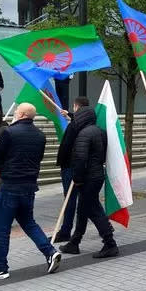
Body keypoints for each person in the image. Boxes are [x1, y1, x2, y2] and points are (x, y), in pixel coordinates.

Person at [0, 103, 61, 280]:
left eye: (16, 112)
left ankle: (0, 267)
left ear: (23, 114)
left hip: (10, 185)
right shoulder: (40, 135)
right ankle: (50, 252)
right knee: (28, 222)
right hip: (29, 186)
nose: (14, 114)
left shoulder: (9, 133)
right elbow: (35, 158)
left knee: (2, 228)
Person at [58, 103, 119, 258]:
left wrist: (77, 178)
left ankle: (110, 243)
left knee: (92, 209)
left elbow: (80, 158)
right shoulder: (100, 131)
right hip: (97, 174)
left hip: (87, 177)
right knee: (84, 208)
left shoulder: (83, 134)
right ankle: (75, 241)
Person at [52, 97, 88, 243]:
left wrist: (62, 163)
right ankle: (105, 226)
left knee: (70, 200)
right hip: (83, 167)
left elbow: (66, 146)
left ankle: (66, 231)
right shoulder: (89, 123)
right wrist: (70, 116)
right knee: (87, 200)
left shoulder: (74, 126)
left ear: (76, 106)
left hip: (70, 166)